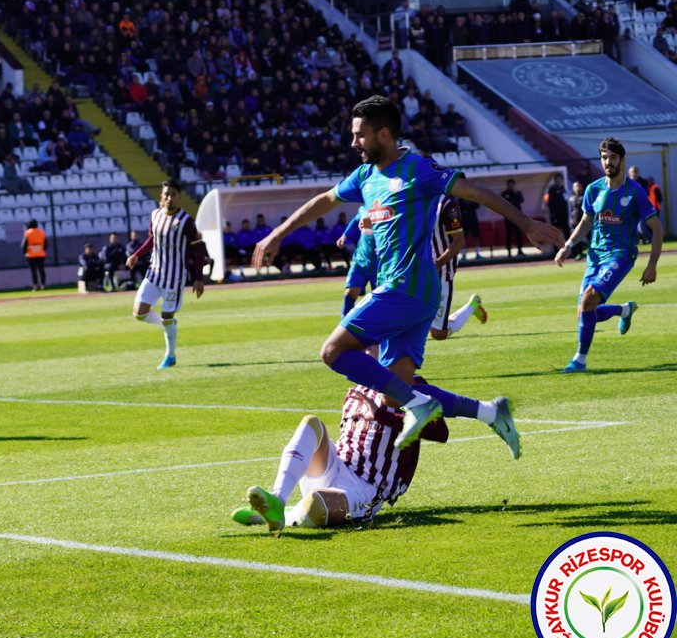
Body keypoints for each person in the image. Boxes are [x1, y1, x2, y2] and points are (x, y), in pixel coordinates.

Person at [252, 95, 563, 453]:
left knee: (333, 352)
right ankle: (491, 413)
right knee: (393, 396)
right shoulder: (366, 176)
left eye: (360, 135)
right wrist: (277, 234)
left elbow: (474, 191)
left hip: (407, 290)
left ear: (383, 135)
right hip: (411, 294)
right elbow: (324, 200)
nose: (353, 143)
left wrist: (526, 224)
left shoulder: (418, 169)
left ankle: (421, 405)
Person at [232, 369, 516, 533]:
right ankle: (279, 498)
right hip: (336, 465)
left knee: (313, 510)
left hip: (367, 489)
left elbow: (440, 433)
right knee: (311, 423)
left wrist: (383, 415)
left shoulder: (413, 387)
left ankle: (279, 514)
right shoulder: (356, 388)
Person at [554, 137, 663, 374]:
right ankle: (623, 309)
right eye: (604, 158)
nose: (608, 162)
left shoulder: (635, 191)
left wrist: (652, 265)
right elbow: (585, 222)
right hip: (595, 256)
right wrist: (568, 245)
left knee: (588, 300)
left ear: (622, 160)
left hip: (621, 255)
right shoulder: (594, 189)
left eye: (612, 158)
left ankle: (579, 361)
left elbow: (657, 228)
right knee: (584, 311)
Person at [126, 180, 206, 370]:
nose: (169, 198)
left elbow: (199, 250)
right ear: (161, 197)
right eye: (166, 194)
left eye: (173, 194)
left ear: (179, 197)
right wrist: (136, 255)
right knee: (139, 313)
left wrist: (198, 278)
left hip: (174, 278)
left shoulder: (186, 221)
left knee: (167, 316)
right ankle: (169, 326)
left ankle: (170, 356)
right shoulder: (155, 215)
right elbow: (152, 240)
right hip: (154, 273)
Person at [428, 193, 487, 341]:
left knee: (438, 334)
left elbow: (459, 241)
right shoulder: (411, 200)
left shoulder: (446, 204)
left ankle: (471, 306)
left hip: (441, 269)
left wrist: (438, 264)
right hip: (418, 269)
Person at [500, 178, 525, 257]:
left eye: (512, 185)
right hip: (508, 217)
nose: (511, 186)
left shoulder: (518, 193)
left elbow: (521, 200)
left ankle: (520, 250)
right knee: (509, 234)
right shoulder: (504, 194)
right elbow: (500, 204)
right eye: (509, 185)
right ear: (507, 185)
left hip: (518, 217)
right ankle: (509, 252)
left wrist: (514, 193)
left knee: (518, 234)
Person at [546, 173, 571, 249]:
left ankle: (570, 249)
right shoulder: (552, 189)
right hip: (555, 216)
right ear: (555, 180)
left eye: (560, 179)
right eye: (557, 179)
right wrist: (553, 215)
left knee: (567, 232)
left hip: (564, 215)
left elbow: (566, 201)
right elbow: (550, 202)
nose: (559, 181)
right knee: (555, 234)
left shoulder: (563, 189)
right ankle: (556, 250)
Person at [21, 219, 46, 290]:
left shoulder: (28, 233)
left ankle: (35, 285)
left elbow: (23, 245)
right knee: (41, 269)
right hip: (40, 253)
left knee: (33, 270)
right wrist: (41, 250)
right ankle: (43, 285)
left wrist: (25, 252)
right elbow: (46, 244)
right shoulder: (41, 232)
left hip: (31, 254)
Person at [458, 195, 483, 260]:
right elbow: (460, 207)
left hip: (473, 220)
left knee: (476, 237)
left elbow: (477, 205)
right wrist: (467, 207)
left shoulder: (473, 197)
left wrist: (468, 206)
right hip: (464, 221)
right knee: (464, 238)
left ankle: (477, 254)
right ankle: (464, 255)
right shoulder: (460, 199)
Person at [568, 180, 586, 260]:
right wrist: (572, 220)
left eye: (578, 186)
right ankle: (578, 253)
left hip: (585, 221)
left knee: (590, 238)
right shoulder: (571, 198)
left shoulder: (585, 196)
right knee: (576, 238)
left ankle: (592, 253)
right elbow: (571, 210)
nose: (577, 188)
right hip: (574, 222)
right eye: (575, 186)